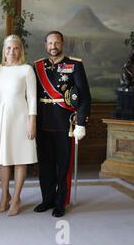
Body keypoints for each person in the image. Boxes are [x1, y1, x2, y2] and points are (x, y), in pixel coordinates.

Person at [33, 31, 91, 217]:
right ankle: (47, 199)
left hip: (65, 125)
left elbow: (85, 97)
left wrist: (81, 122)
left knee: (63, 166)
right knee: (45, 165)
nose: (53, 46)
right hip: (43, 124)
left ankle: (60, 202)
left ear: (62, 44)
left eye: (56, 42)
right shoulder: (37, 67)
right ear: (45, 45)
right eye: (50, 43)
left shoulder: (74, 65)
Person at [0, 35, 37, 216]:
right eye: (8, 48)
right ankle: (4, 195)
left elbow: (32, 98)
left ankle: (16, 198)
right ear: (4, 50)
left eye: (15, 48)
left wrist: (32, 122)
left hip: (20, 117)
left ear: (20, 50)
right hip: (0, 117)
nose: (12, 52)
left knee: (20, 157)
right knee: (2, 157)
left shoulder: (27, 70)